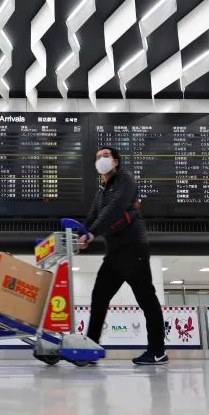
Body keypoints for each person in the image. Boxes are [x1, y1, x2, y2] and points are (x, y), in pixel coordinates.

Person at [78, 146, 168, 365]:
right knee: (99, 298)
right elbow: (92, 216)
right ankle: (91, 349)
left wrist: (92, 233)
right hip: (115, 253)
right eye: (98, 157)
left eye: (105, 156)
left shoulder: (125, 180)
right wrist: (75, 234)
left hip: (133, 248)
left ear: (116, 161)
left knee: (146, 299)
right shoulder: (102, 191)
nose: (101, 160)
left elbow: (115, 209)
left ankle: (158, 351)